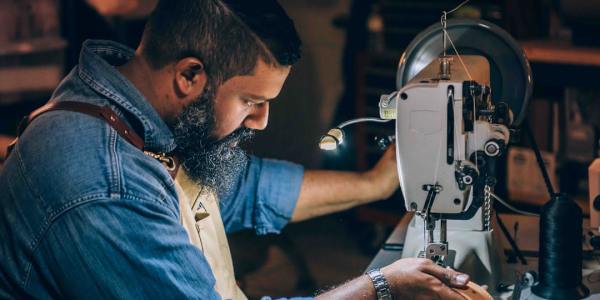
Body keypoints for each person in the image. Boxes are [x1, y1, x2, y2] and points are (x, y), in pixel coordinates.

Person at [0, 0, 470, 299]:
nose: (261, 121)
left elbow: (247, 188)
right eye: (252, 101)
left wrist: (379, 182)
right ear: (189, 76)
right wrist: (380, 287)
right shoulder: (108, 188)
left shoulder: (133, 111)